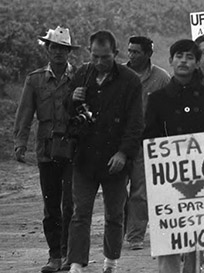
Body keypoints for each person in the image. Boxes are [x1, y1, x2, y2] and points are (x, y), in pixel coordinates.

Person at [144, 39, 204, 273]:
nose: (184, 61)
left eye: (190, 57)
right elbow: (149, 138)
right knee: (168, 240)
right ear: (171, 61)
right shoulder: (157, 99)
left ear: (197, 63)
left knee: (195, 242)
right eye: (179, 56)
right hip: (167, 180)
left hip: (202, 181)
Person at [67, 30, 144, 273]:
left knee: (114, 214)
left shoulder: (130, 80)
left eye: (105, 57)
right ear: (90, 53)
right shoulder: (82, 74)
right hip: (85, 158)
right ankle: (77, 263)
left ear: (116, 54)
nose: (100, 62)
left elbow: (135, 123)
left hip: (115, 160)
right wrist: (72, 98)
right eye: (95, 56)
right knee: (80, 213)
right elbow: (68, 114)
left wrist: (123, 153)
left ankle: (111, 261)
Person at [14, 26, 79, 273]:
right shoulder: (35, 79)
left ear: (69, 51)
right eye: (55, 48)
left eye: (63, 48)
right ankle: (55, 255)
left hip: (73, 146)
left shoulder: (80, 77)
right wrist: (20, 142)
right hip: (46, 148)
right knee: (51, 205)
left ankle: (70, 254)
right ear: (48, 49)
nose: (59, 53)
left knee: (71, 204)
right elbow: (25, 113)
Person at [123, 35, 171, 251]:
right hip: (118, 142)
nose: (131, 55)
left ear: (148, 54)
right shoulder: (119, 75)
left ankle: (135, 236)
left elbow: (170, 111)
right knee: (116, 190)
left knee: (140, 191)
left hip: (147, 143)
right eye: (130, 51)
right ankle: (118, 230)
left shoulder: (162, 78)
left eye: (136, 52)